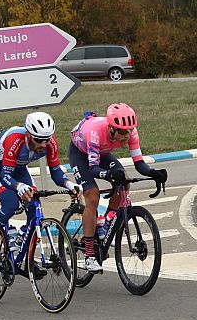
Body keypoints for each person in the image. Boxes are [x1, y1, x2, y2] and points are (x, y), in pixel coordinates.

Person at [69, 103, 167, 273]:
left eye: (129, 130)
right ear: (112, 128)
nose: (127, 135)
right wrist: (109, 175)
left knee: (125, 180)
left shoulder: (131, 132)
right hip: (80, 154)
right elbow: (93, 168)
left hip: (102, 152)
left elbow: (139, 163)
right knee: (92, 196)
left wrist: (153, 173)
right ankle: (89, 255)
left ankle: (106, 221)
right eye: (122, 132)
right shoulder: (95, 132)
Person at [0, 112, 81, 271]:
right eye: (39, 140)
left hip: (19, 167)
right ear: (28, 135)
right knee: (11, 203)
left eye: (46, 139)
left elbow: (55, 172)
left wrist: (69, 184)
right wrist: (18, 186)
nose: (43, 144)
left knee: (34, 205)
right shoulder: (15, 140)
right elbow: (6, 177)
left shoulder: (50, 143)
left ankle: (26, 253)